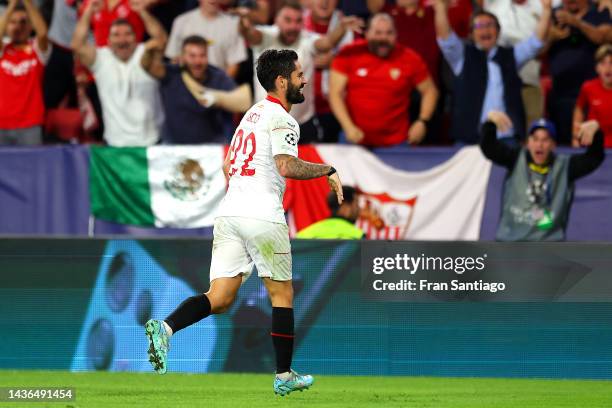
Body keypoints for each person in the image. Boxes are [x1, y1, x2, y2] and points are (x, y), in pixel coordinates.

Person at [145, 49, 344, 396]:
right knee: (282, 294)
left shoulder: (250, 116)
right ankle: (284, 375)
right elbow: (285, 165)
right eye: (299, 75)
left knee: (220, 297)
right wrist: (326, 169)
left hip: (230, 213)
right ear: (281, 81)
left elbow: (227, 167)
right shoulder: (283, 119)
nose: (305, 80)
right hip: (261, 214)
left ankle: (166, 327)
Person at [239, 0, 364, 143]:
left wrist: (341, 28)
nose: (293, 26)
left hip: (302, 125)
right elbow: (249, 33)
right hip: (266, 125)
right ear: (276, 20)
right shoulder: (265, 36)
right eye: (287, 20)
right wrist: (244, 23)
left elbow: (327, 43)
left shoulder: (307, 38)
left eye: (298, 21)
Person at [434, 0, 552, 145]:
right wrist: (440, 7)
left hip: (506, 138)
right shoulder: (462, 56)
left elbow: (536, 42)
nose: (485, 30)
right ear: (471, 34)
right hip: (469, 139)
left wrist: (546, 10)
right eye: (479, 26)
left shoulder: (510, 56)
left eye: (490, 25)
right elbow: (446, 39)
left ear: (498, 31)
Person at [481, 111, 605, 241]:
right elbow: (489, 148)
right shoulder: (515, 158)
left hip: (548, 248)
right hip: (509, 244)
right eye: (535, 139)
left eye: (545, 140)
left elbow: (594, 158)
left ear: (553, 145)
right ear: (528, 142)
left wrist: (596, 132)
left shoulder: (565, 166)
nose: (539, 145)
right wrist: (490, 123)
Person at [329, 13, 438, 147]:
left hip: (398, 143)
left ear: (396, 35)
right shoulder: (349, 53)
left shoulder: (409, 58)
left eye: (389, 33)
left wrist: (422, 121)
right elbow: (335, 93)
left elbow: (430, 91)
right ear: (367, 33)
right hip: (353, 139)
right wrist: (348, 126)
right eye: (378, 33)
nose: (383, 38)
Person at [71, 0, 167, 146]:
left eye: (128, 34)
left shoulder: (144, 54)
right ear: (108, 41)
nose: (122, 40)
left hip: (150, 142)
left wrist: (142, 11)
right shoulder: (101, 59)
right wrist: (89, 10)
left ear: (136, 38)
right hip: (115, 145)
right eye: (116, 35)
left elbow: (161, 39)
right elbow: (77, 45)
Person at [142, 35, 240, 144]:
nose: (198, 61)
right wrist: (148, 52)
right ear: (183, 57)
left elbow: (243, 101)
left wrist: (218, 98)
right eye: (192, 56)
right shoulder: (171, 73)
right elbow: (148, 66)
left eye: (202, 56)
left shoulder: (217, 76)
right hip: (173, 146)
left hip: (212, 147)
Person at [547, 0, 611, 144]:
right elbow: (538, 51)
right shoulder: (554, 14)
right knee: (563, 143)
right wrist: (551, 37)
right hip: (560, 94)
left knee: (590, 141)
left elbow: (604, 37)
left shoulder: (599, 11)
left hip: (593, 93)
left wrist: (577, 23)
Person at [303, 0, 353, 143]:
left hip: (334, 110)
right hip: (300, 109)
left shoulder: (350, 27)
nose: (325, 2)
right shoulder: (295, 23)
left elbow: (360, 68)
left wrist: (336, 63)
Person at [0, 0, 49, 145]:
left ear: (30, 26)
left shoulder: (37, 50)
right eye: (13, 22)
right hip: (2, 123)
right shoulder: (3, 51)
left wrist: (27, 2)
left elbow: (42, 33)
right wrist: (11, 5)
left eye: (23, 22)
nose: (18, 26)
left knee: (32, 167)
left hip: (30, 124)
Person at [165, 0, 247, 78]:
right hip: (186, 86)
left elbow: (234, 63)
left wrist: (220, 86)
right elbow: (174, 59)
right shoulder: (181, 21)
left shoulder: (233, 24)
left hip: (219, 86)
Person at [573, 44, 612, 148]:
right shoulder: (588, 87)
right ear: (597, 68)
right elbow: (579, 108)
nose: (608, 68)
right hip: (593, 148)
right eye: (603, 63)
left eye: (611, 63)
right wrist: (575, 136)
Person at [296, 186, 364, 239]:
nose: (359, 209)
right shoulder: (358, 236)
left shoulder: (303, 235)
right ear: (345, 207)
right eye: (356, 204)